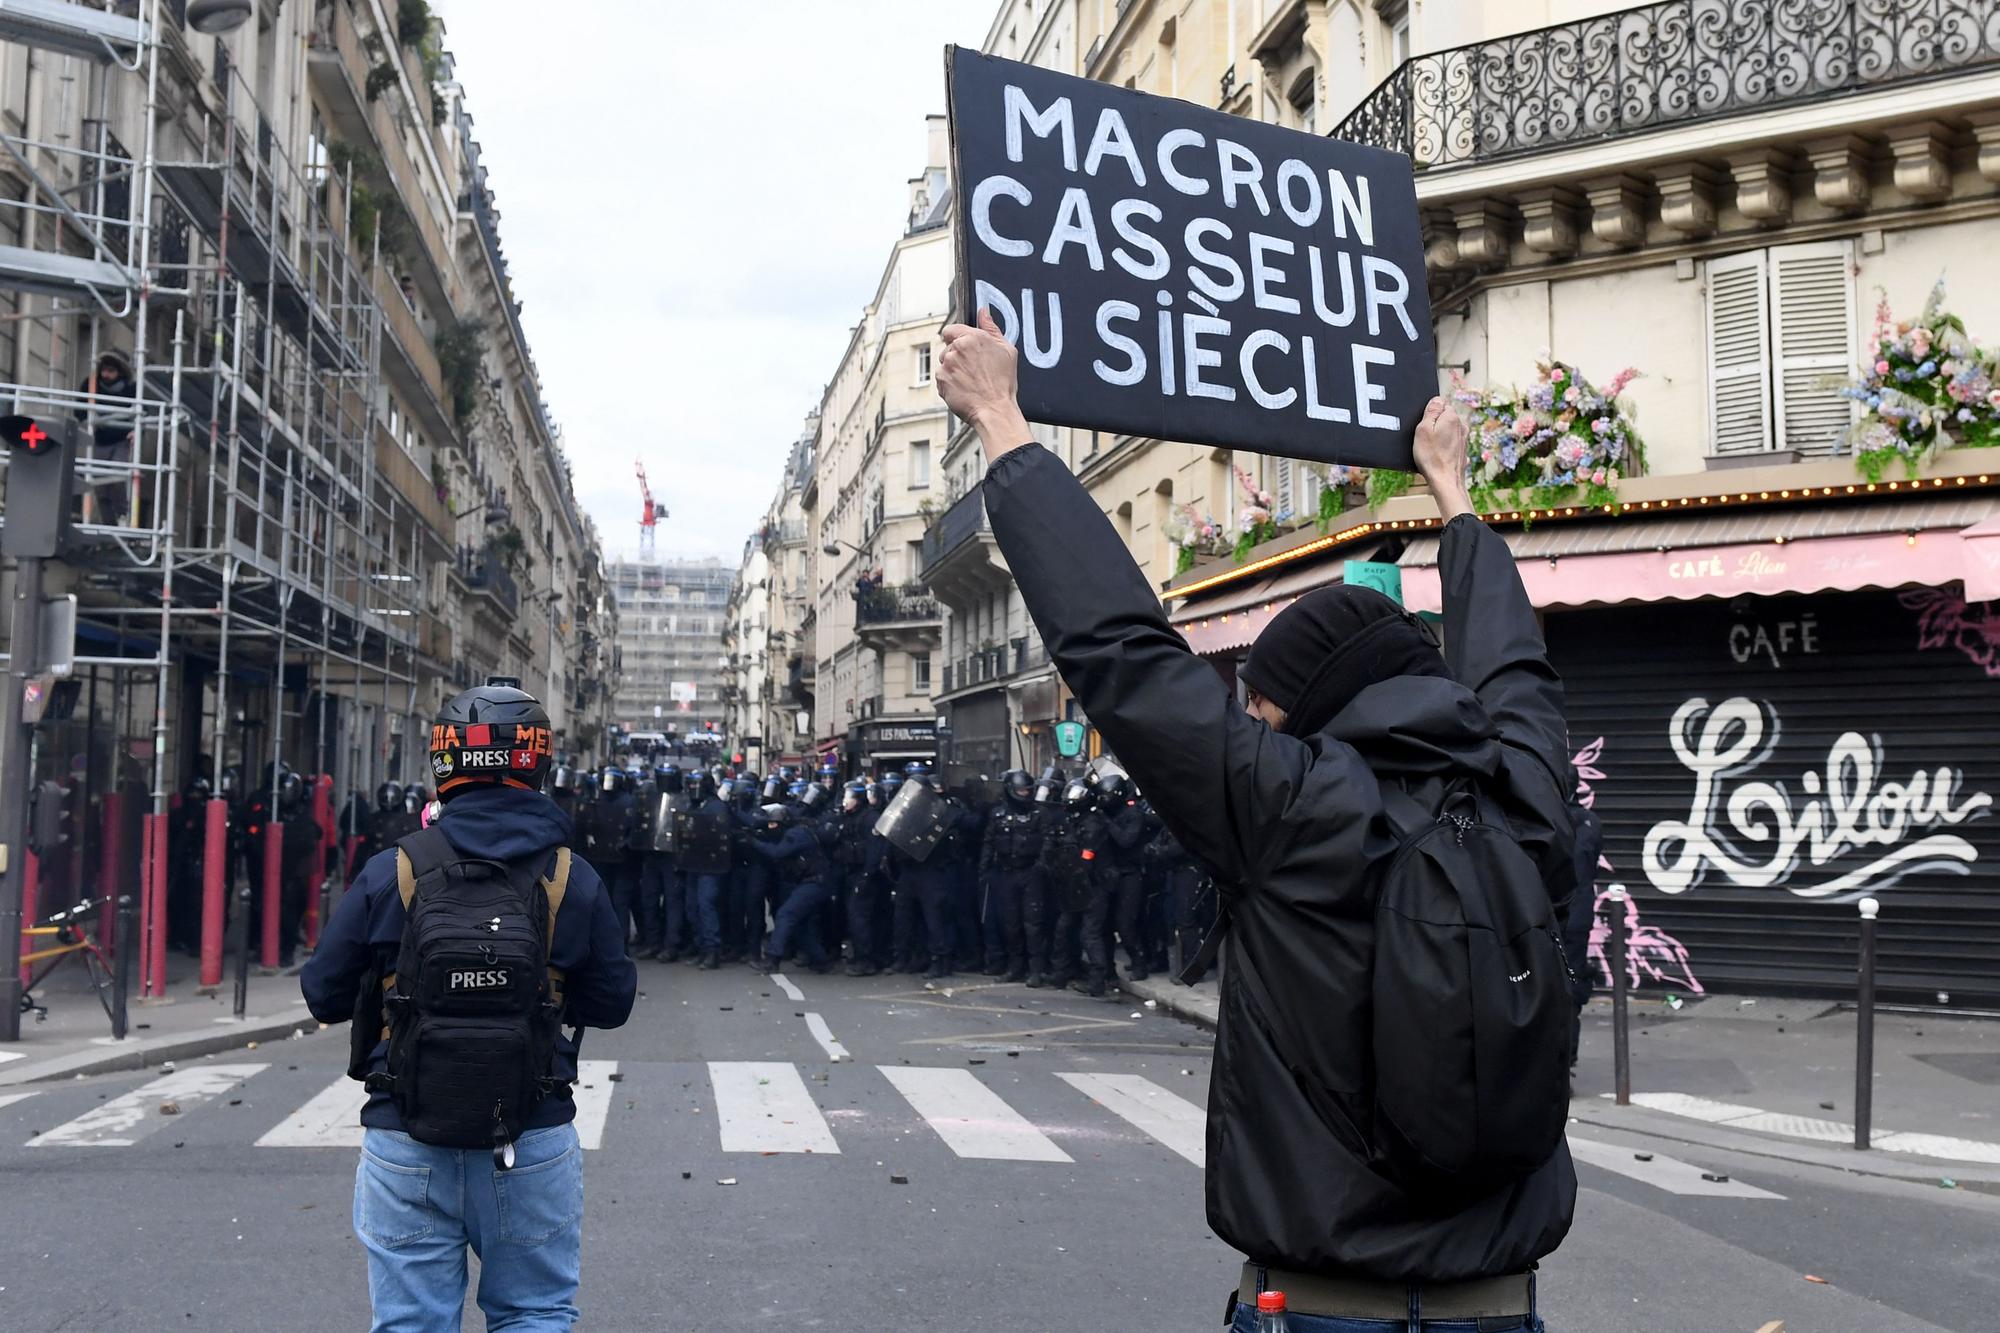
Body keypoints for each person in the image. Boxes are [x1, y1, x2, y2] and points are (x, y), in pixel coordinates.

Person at [938, 311, 1575, 1328]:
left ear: (1308, 704)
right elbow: (1513, 671)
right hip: (1497, 1310)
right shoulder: (1526, 801)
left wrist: (1004, 424)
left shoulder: (1291, 807)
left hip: (1320, 1305)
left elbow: (1126, 659)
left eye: (1261, 703)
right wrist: (1452, 493)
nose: (1248, 720)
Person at [300, 682, 636, 1332]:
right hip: (531, 1125)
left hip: (406, 1128)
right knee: (533, 1314)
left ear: (443, 761)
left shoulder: (392, 869)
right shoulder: (572, 876)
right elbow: (613, 1001)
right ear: (537, 761)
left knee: (411, 1322)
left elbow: (324, 991)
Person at [743, 803, 834, 974]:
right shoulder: (793, 832)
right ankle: (820, 959)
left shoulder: (796, 834)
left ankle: (772, 958)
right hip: (810, 883)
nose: (771, 827)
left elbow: (778, 852)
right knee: (800, 926)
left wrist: (754, 842)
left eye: (773, 824)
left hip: (814, 883)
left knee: (786, 914)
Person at [978, 769, 1041, 982]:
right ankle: (1015, 967)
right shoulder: (998, 815)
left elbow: (1048, 845)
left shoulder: (1038, 814)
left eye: (1027, 790)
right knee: (1010, 923)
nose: (1025, 794)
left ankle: (1035, 970)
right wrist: (984, 870)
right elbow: (988, 842)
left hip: (1031, 872)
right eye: (1021, 790)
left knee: (1032, 924)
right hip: (1006, 873)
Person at [679, 771, 735, 970]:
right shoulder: (693, 805)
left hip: (711, 866)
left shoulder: (717, 806)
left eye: (697, 785)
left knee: (706, 906)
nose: (694, 789)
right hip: (693, 863)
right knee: (691, 907)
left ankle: (712, 951)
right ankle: (701, 946)